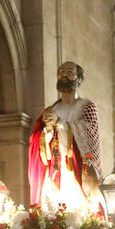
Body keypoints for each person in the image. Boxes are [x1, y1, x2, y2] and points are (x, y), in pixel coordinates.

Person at [27, 60, 101, 211]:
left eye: (69, 72)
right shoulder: (51, 110)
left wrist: (60, 123)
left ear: (78, 79)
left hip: (76, 170)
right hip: (55, 169)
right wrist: (47, 129)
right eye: (61, 72)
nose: (64, 76)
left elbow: (88, 134)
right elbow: (36, 140)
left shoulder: (87, 107)